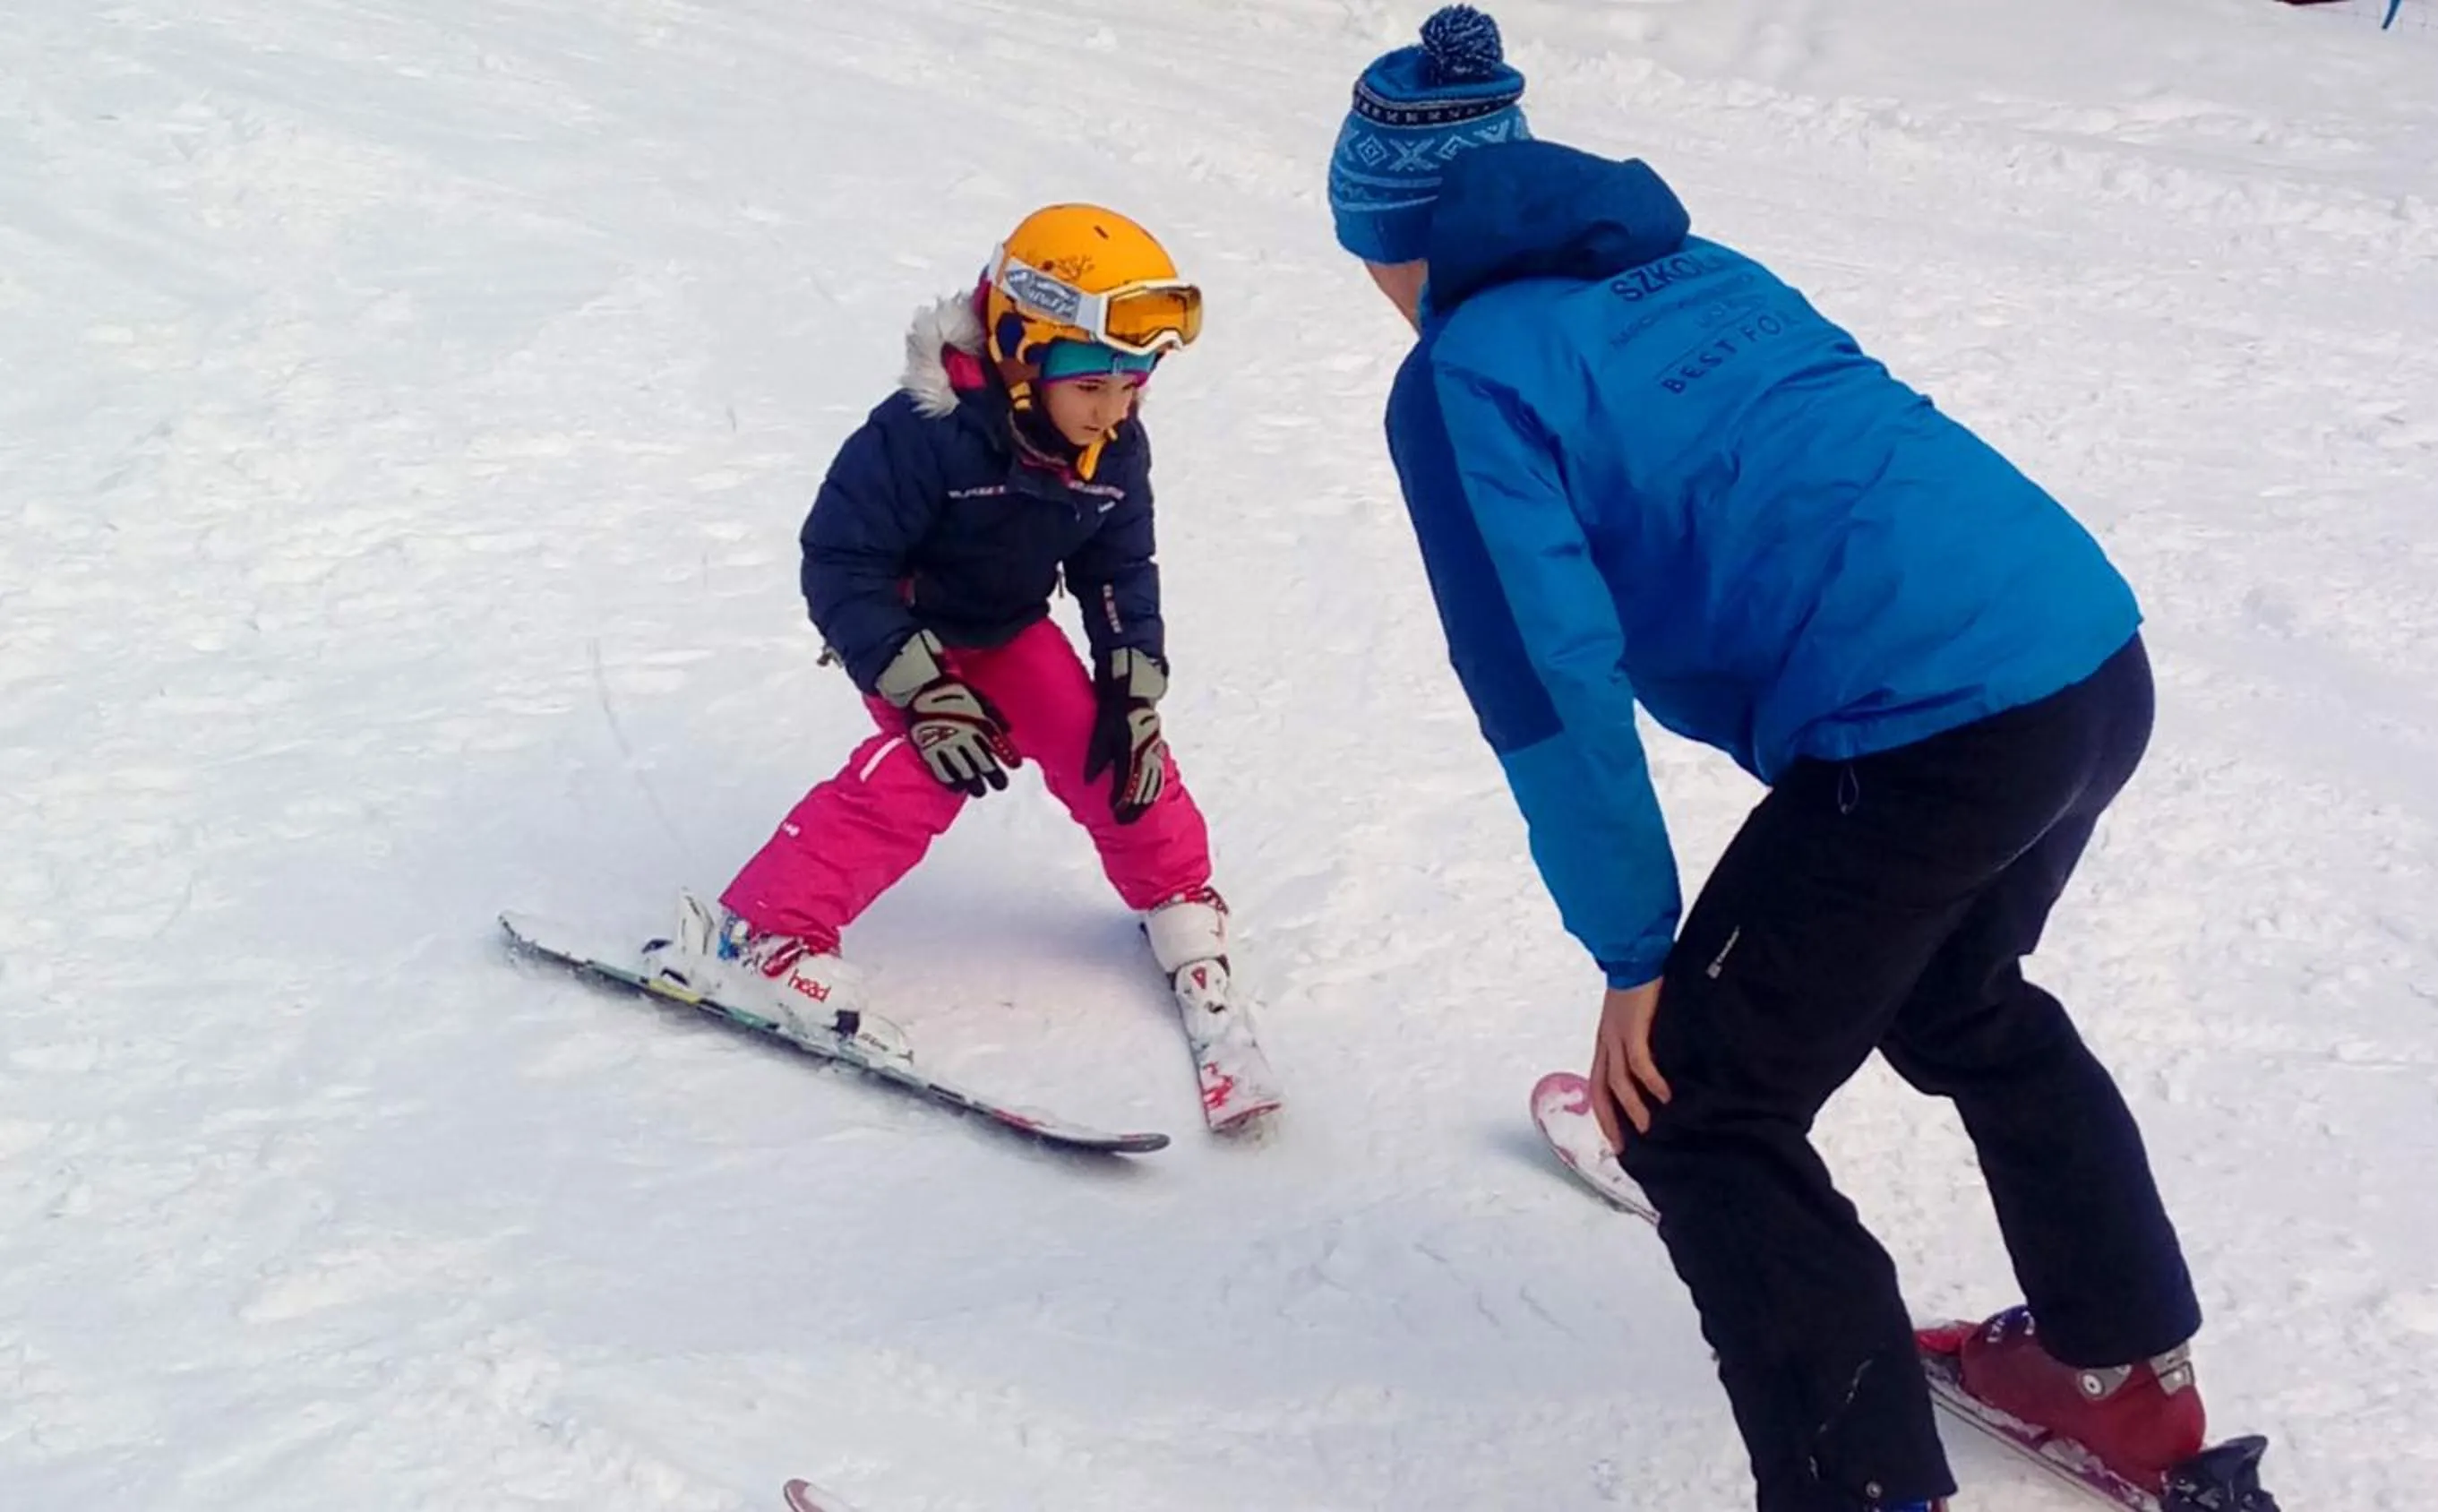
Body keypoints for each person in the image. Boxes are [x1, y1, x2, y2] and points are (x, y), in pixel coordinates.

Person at [1328, 9, 2214, 1510]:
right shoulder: (1701, 267)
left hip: (1934, 729)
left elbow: (1548, 689)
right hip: (2087, 655)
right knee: (1958, 987)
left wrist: (1635, 952)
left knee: (1697, 1108)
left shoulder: (1466, 371)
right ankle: (2119, 1377)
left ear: (1397, 239)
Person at [642, 203, 1239, 1064]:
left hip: (1010, 630)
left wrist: (1133, 683)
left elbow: (1117, 565)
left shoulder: (1112, 447)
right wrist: (922, 689)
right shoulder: (921, 435)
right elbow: (840, 561)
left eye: (1133, 384)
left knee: (1110, 748)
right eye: (1093, 385)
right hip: (909, 636)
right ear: (1024, 359)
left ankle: (1177, 898)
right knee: (927, 773)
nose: (1112, 411)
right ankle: (765, 931)